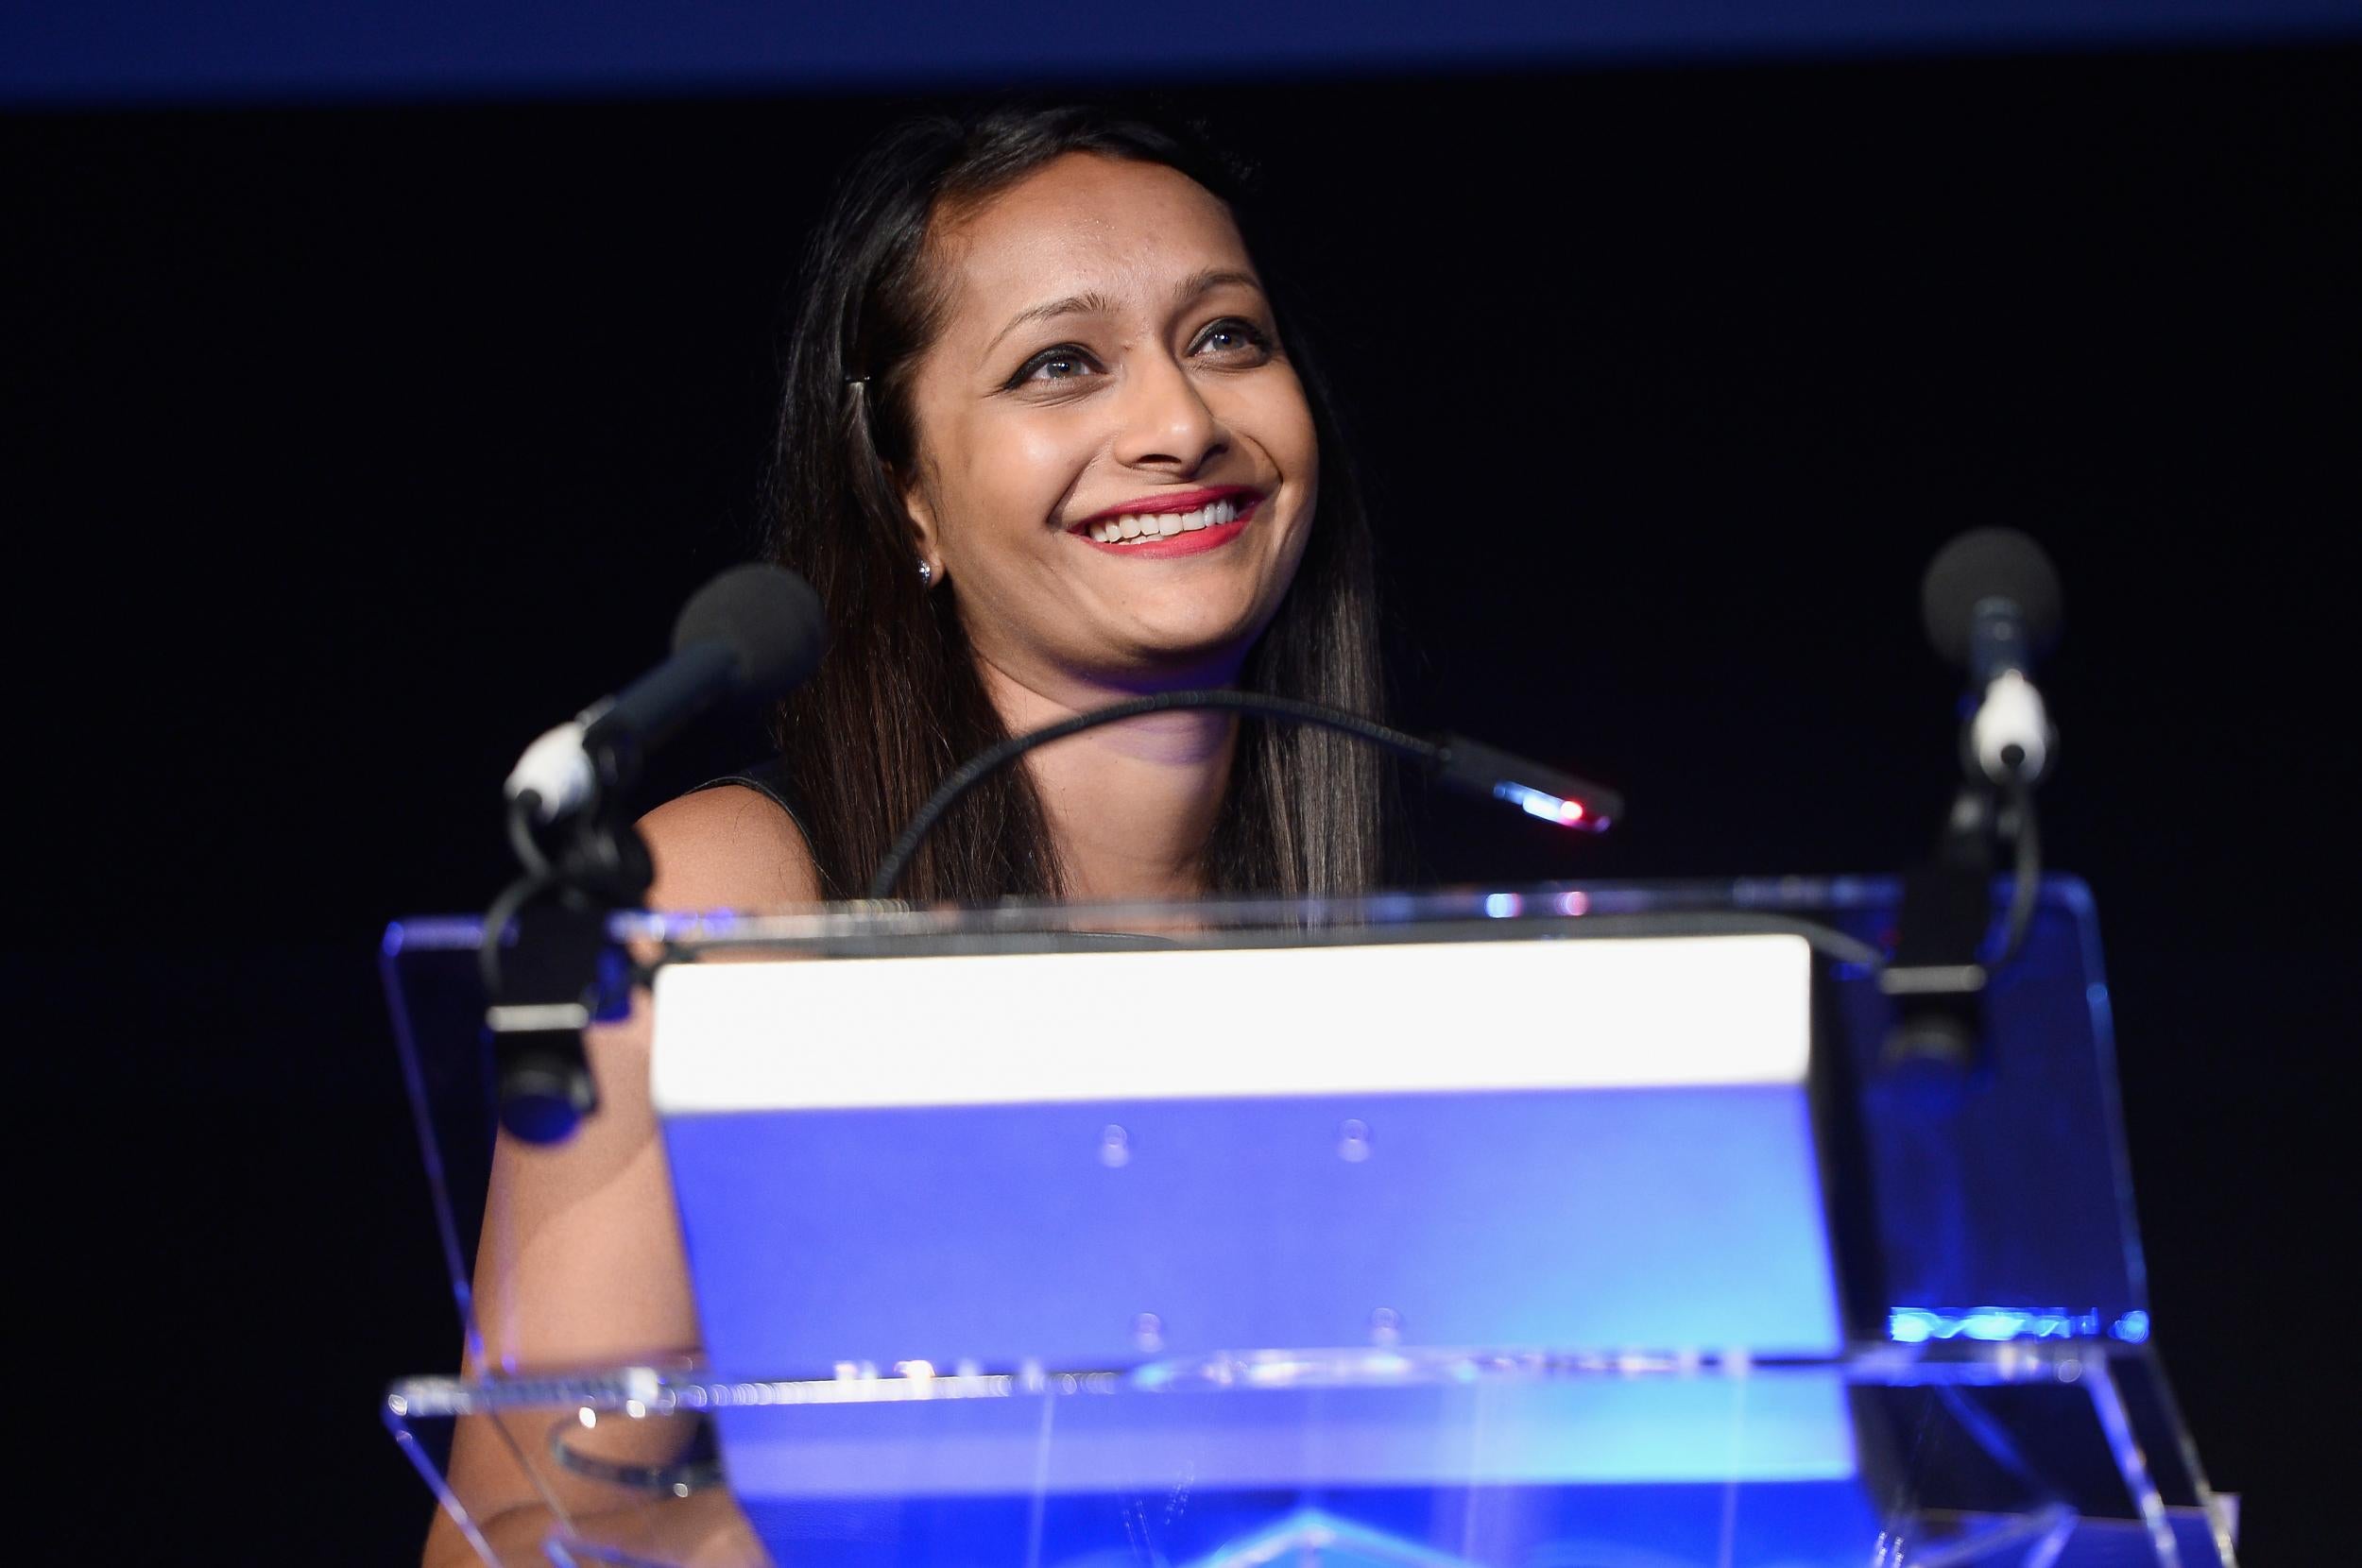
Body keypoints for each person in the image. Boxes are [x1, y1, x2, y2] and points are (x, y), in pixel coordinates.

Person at [424, 102, 1388, 1566]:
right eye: (1062, 364)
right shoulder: (733, 904)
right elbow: (516, 1536)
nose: (1181, 423)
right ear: (908, 495)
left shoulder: (1391, 960)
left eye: (1228, 337)